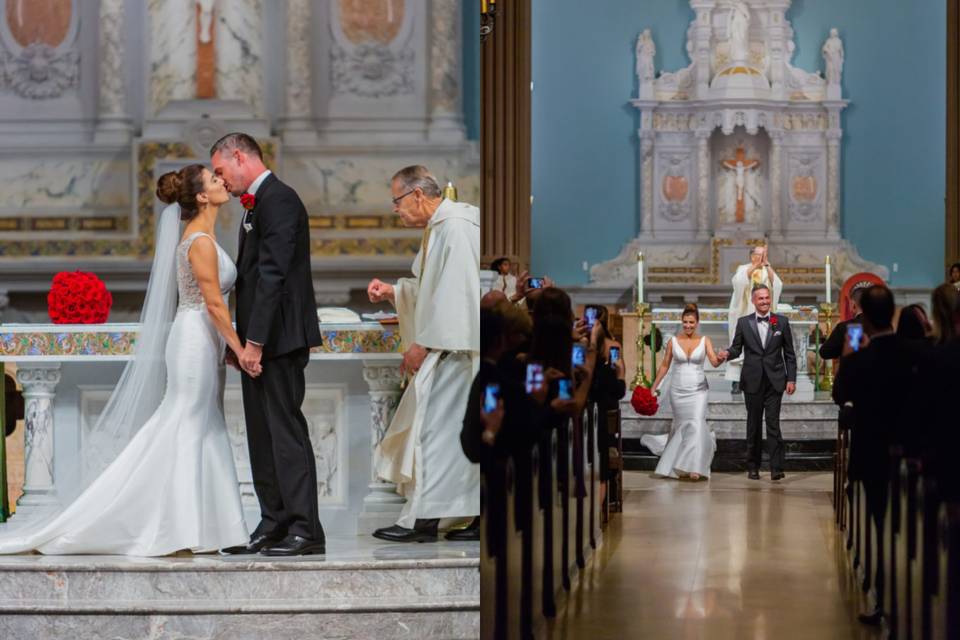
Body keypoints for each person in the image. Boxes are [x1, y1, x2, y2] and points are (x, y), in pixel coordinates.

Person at [0, 166, 249, 555]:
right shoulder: (198, 241)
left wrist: (227, 345)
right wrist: (239, 347)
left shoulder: (206, 237)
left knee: (205, 425)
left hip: (206, 339)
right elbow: (214, 303)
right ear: (201, 196)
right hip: (194, 341)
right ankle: (174, 526)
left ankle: (211, 526)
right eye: (213, 180)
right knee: (184, 422)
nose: (222, 182)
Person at [210, 133, 326, 556]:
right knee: (261, 435)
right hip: (257, 341)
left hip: (277, 339)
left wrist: (254, 341)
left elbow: (274, 276)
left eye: (222, 171)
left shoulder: (279, 199)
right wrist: (240, 341)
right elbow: (253, 278)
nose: (223, 181)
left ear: (239, 156)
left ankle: (305, 529)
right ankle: (273, 522)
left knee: (285, 433)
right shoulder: (258, 203)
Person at [367, 165, 481, 542]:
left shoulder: (456, 227)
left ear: (418, 195)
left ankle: (427, 521)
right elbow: (432, 289)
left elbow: (457, 296)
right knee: (440, 435)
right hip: (448, 347)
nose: (395, 210)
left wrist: (422, 343)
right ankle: (436, 517)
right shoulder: (439, 229)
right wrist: (395, 292)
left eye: (397, 201)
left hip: (458, 351)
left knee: (435, 435)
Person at [832, 284, 906, 625]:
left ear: (865, 317)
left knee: (881, 526)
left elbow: (840, 395)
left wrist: (849, 356)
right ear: (891, 315)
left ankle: (881, 595)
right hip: (911, 452)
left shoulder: (861, 359)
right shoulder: (917, 353)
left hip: (872, 453)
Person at [719, 285, 797, 480]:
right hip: (752, 380)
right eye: (760, 298)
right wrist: (727, 353)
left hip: (775, 381)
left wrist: (791, 378)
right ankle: (752, 467)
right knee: (753, 425)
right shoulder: (744, 323)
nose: (764, 301)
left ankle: (776, 468)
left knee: (773, 424)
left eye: (767, 298)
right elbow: (737, 348)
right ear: (753, 301)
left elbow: (789, 354)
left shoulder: (781, 322)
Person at [641, 304, 725, 480]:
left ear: (697, 322)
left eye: (691, 322)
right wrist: (653, 387)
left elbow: (714, 362)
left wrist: (721, 358)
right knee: (681, 425)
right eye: (685, 322)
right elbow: (665, 365)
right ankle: (680, 463)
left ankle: (694, 467)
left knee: (696, 423)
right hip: (678, 390)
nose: (688, 325)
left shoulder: (705, 340)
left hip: (698, 390)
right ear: (682, 321)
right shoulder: (673, 341)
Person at [726, 246, 782, 393]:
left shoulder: (767, 269)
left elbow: (777, 284)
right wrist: (755, 266)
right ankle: (736, 381)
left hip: (762, 313)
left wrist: (767, 266)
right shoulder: (743, 268)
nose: (762, 257)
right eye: (759, 254)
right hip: (745, 311)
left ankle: (761, 379)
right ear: (752, 256)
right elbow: (738, 283)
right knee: (739, 345)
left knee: (761, 346)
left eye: (764, 254)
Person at [819, 282, 868, 360]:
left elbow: (825, 352)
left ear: (853, 305)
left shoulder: (845, 327)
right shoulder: (883, 327)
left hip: (852, 371)